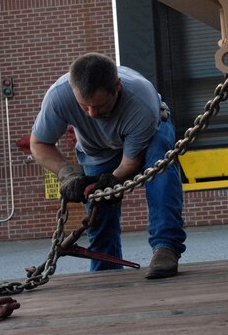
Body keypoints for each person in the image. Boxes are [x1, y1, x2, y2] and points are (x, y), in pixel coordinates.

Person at [30, 53, 186, 278]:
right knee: (98, 213)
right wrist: (67, 173)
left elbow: (130, 162)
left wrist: (113, 179)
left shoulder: (141, 102)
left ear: (117, 87)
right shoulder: (59, 96)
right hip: (96, 149)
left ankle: (166, 247)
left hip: (148, 133)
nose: (92, 114)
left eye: (99, 105)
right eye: (84, 107)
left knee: (160, 166)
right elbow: (39, 144)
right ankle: (105, 273)